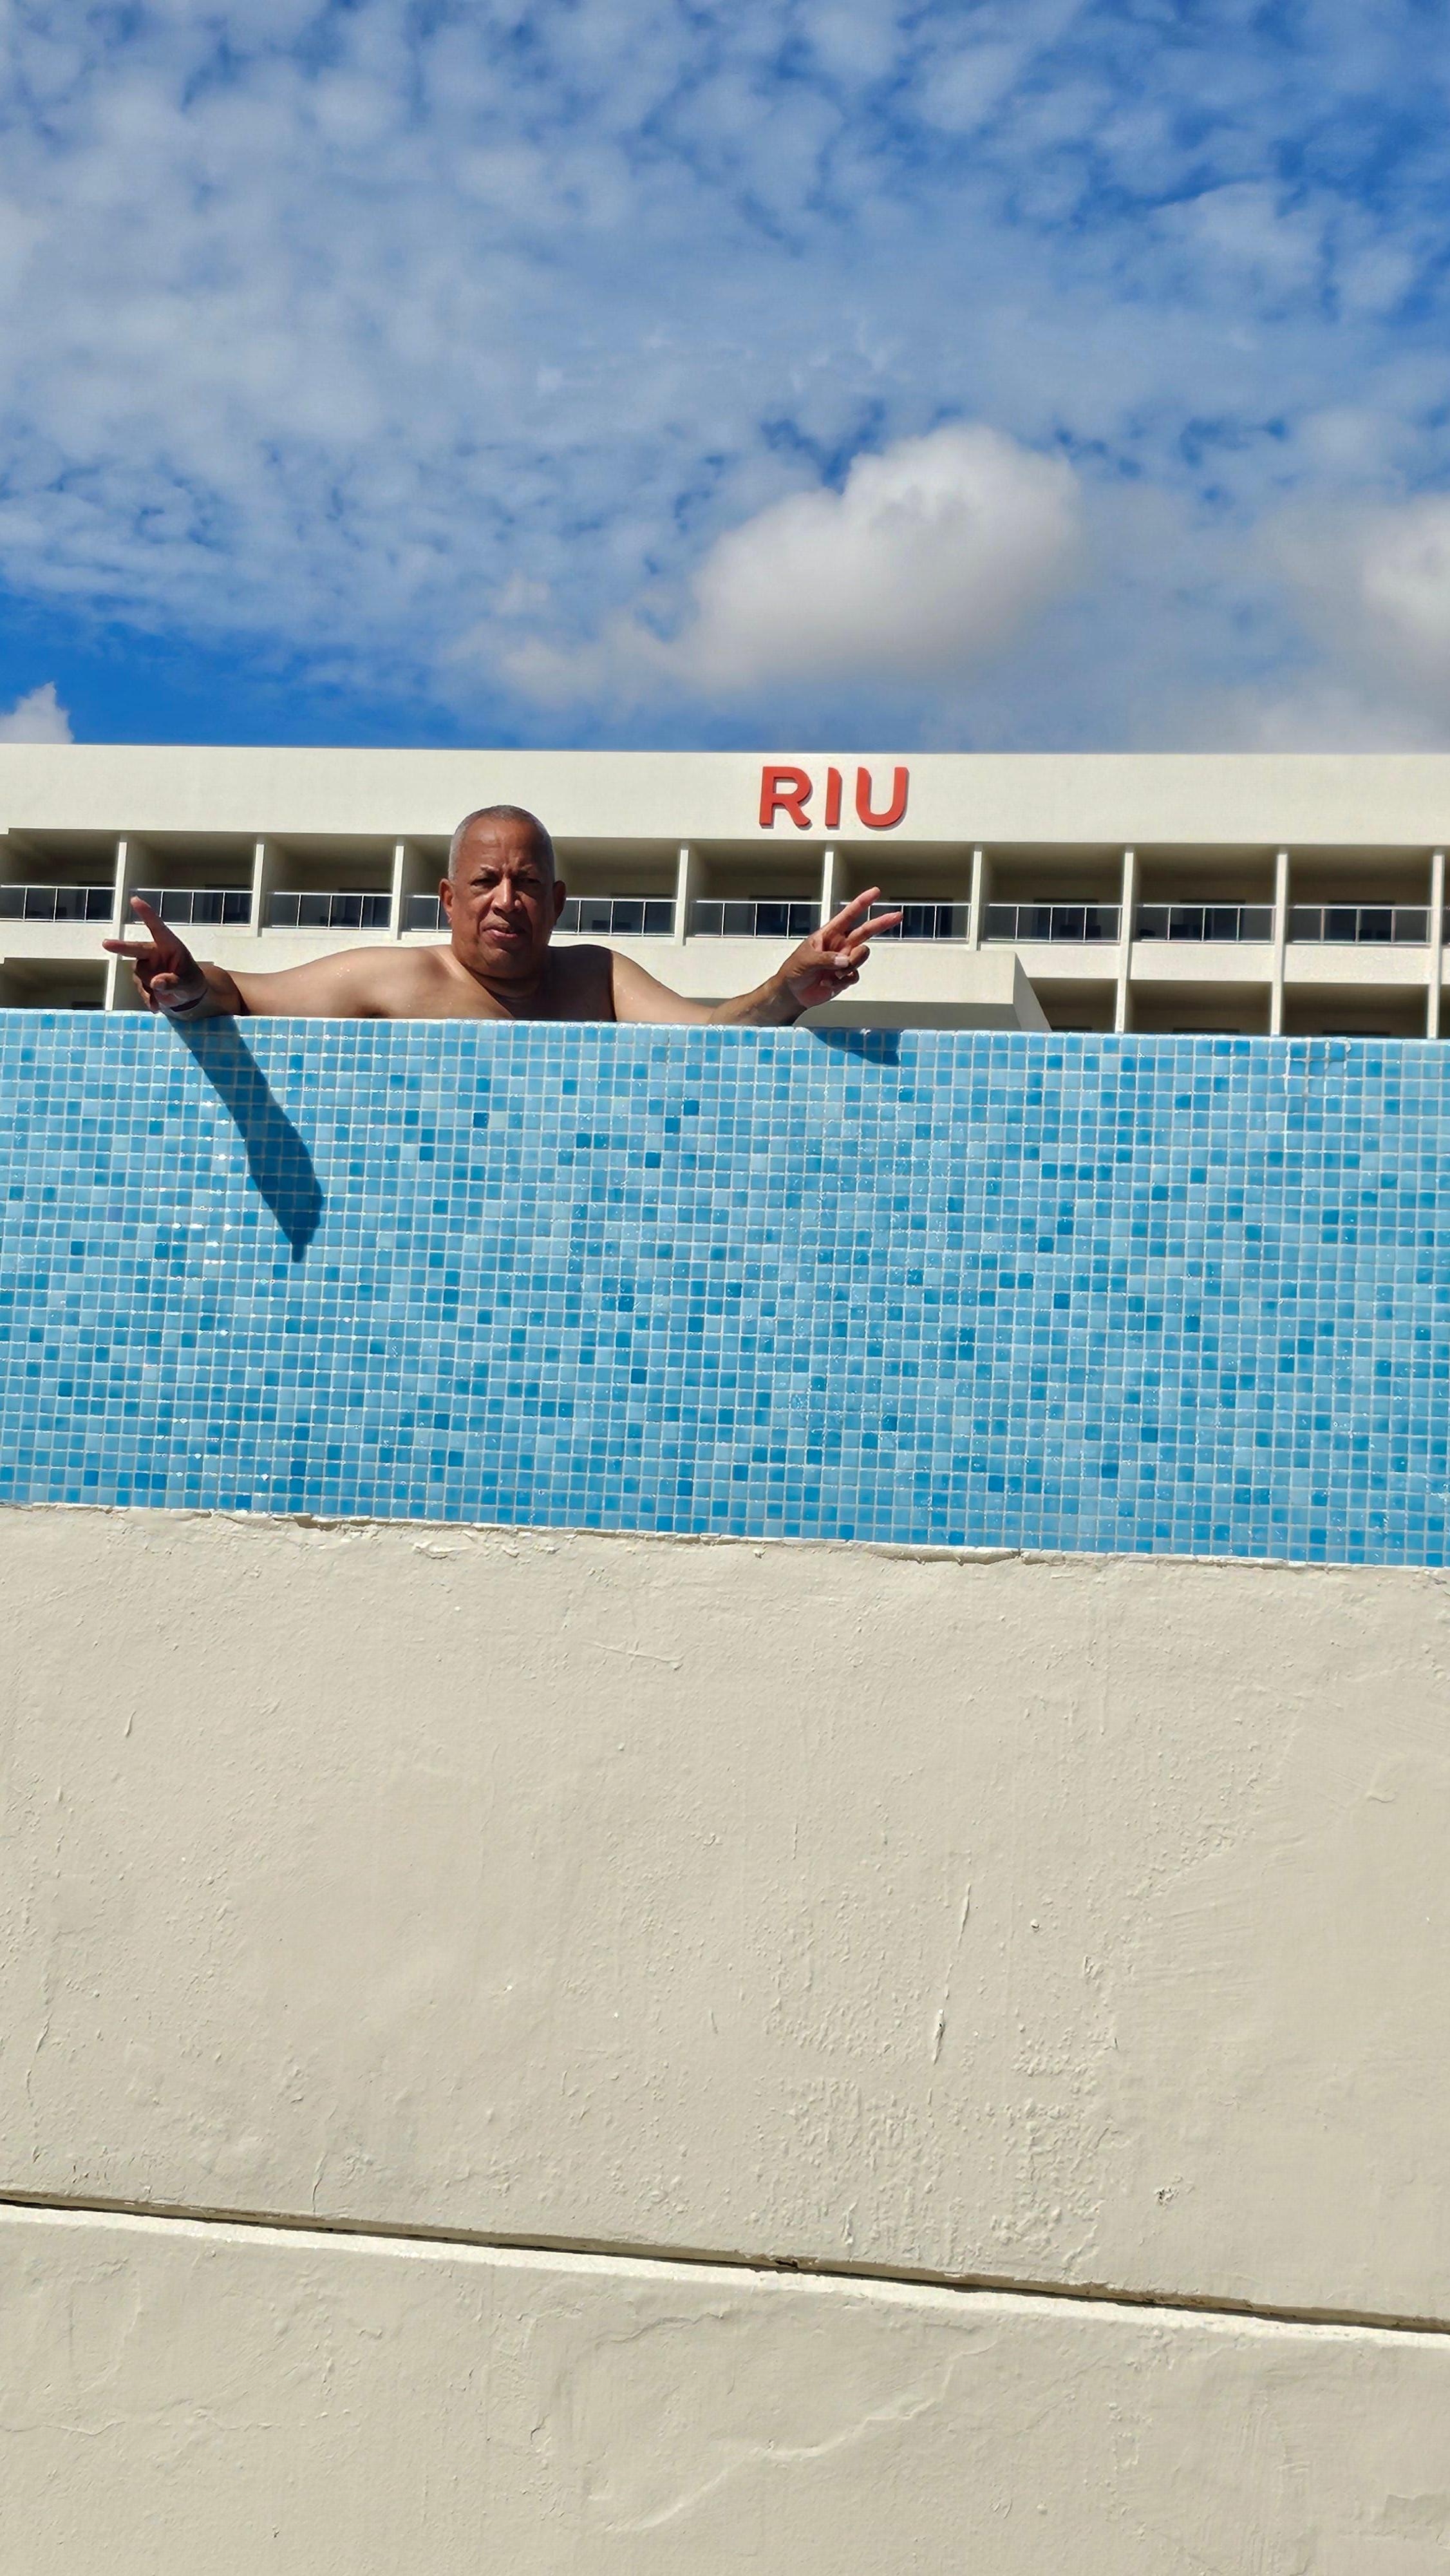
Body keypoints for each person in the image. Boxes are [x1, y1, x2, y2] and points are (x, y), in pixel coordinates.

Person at [104, 803, 903, 1025]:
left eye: (526, 884)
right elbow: (244, 994)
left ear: (555, 904)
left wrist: (788, 987)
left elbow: (708, 1038)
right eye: (485, 882)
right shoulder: (394, 980)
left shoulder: (596, 978)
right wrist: (186, 986)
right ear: (448, 899)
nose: (506, 901)